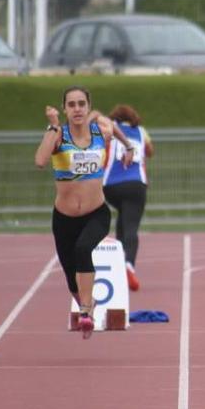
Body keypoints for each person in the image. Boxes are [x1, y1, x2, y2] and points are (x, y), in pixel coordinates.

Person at [35, 86, 133, 339]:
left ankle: (86, 312)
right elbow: (40, 160)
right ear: (65, 108)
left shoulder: (101, 131)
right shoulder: (59, 135)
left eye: (81, 104)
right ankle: (86, 305)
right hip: (64, 218)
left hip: (96, 213)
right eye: (71, 104)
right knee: (71, 279)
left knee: (83, 249)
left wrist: (128, 146)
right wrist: (53, 125)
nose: (77, 109)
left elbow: (112, 125)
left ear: (89, 107)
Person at [103, 104, 154, 292]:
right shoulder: (140, 131)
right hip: (135, 184)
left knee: (122, 219)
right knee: (131, 226)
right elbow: (150, 151)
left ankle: (117, 262)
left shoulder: (107, 127)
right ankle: (128, 265)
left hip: (110, 185)